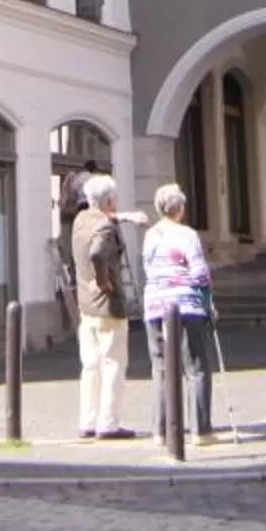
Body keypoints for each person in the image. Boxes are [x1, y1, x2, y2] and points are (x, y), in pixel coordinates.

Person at [141, 183, 218, 440]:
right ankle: (200, 430)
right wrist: (209, 303)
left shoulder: (150, 235)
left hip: (155, 304)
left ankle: (162, 430)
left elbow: (147, 268)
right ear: (180, 209)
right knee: (196, 366)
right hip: (186, 305)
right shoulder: (187, 235)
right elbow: (199, 273)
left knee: (161, 368)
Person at [68, 175, 136, 440]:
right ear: (109, 200)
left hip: (86, 306)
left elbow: (102, 221)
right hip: (108, 306)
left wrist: (126, 216)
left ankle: (87, 420)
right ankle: (108, 423)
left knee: (90, 366)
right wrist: (103, 280)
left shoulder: (81, 219)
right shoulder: (105, 227)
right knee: (114, 364)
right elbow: (98, 252)